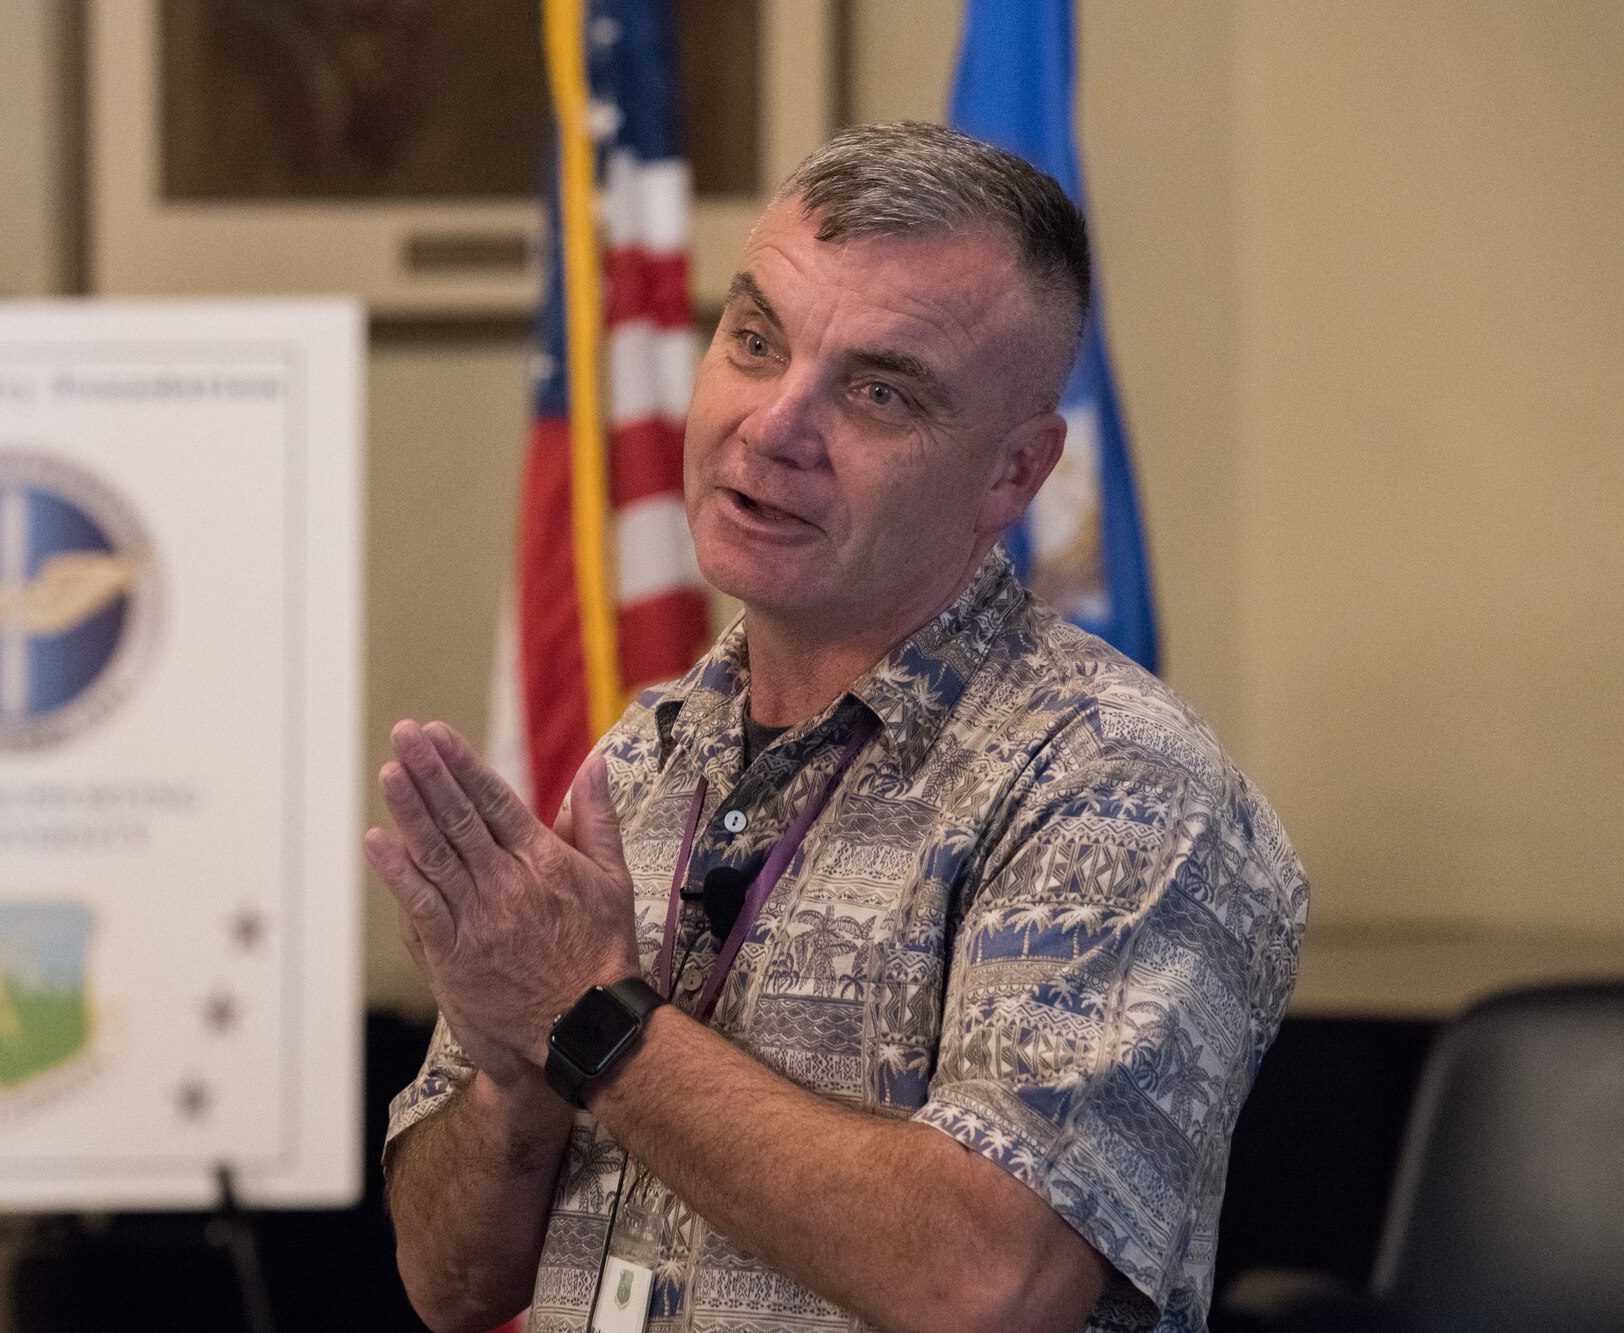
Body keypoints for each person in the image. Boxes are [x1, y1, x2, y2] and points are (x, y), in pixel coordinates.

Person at [366, 121, 1307, 1333]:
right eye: (754, 341)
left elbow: (984, 1282)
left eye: (875, 390)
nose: (771, 425)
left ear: (1012, 475)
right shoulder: (641, 761)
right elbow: (447, 1284)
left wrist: (588, 1021)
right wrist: (518, 1084)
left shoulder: (1115, 782)